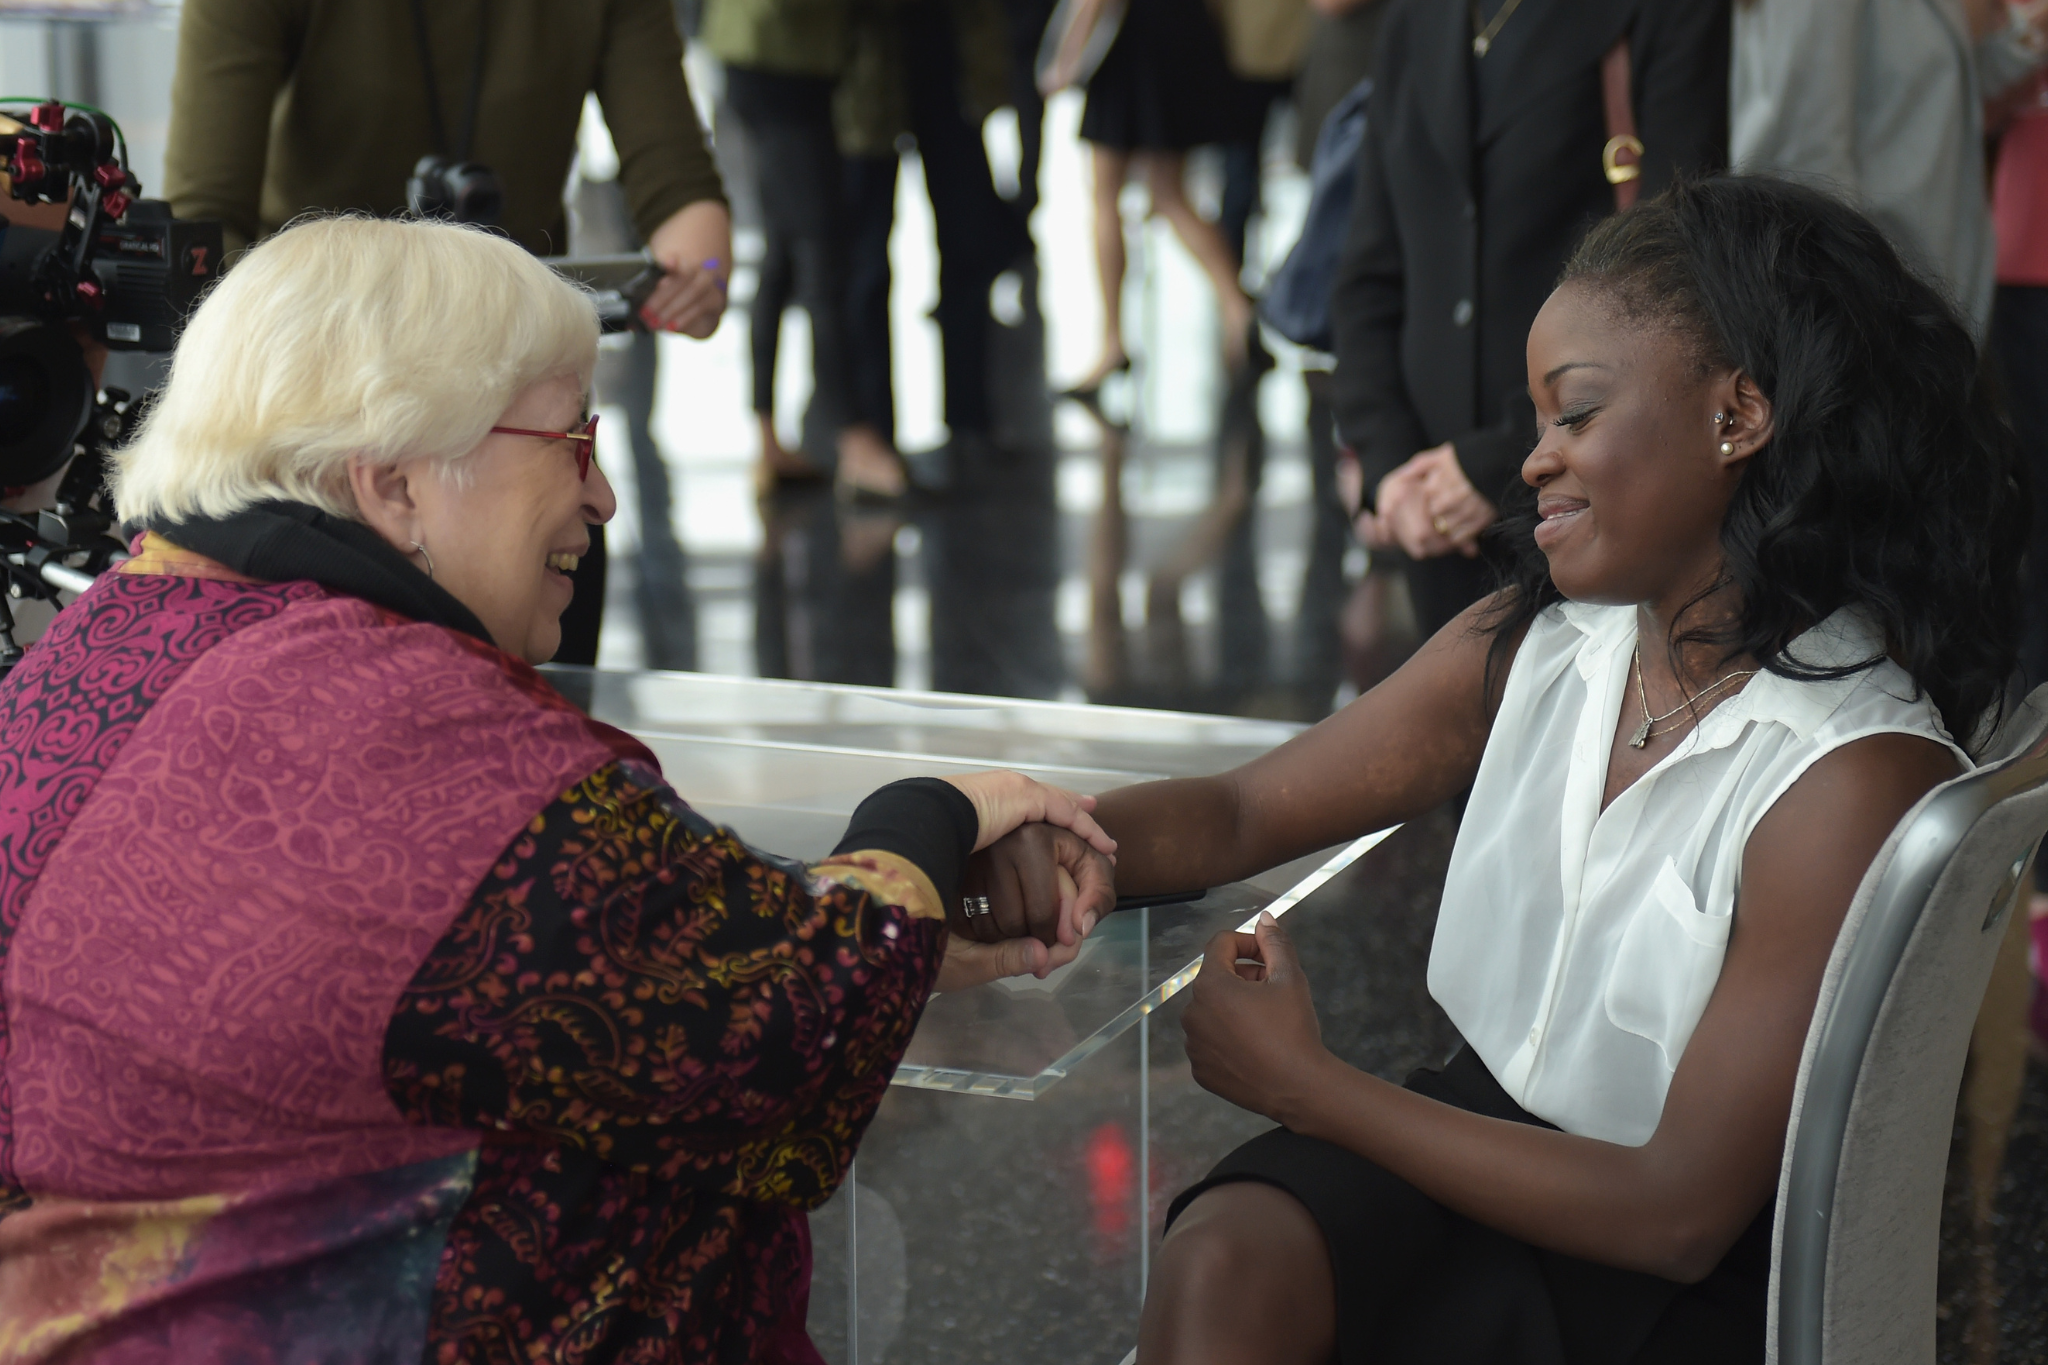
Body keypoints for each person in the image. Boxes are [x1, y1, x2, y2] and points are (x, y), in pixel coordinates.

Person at [0, 216, 1115, 1361]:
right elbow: (794, 1036)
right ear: (394, 483)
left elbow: (500, 978)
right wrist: (924, 823)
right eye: (569, 437)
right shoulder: (431, 751)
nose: (602, 498)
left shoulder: (82, 656)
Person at [977, 177, 2026, 1360]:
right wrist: (1043, 843)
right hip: (1471, 1144)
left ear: (1737, 415)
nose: (1533, 463)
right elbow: (1236, 814)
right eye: (1534, 424)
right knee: (1222, 1259)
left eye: (1572, 415)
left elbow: (1673, 1214)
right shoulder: (1540, 645)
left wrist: (1308, 1088)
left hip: (1671, 1267)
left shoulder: (1845, 774)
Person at [162, 0, 737, 666]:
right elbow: (200, 233)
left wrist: (705, 271)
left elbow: (679, 186)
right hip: (330, 436)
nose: (602, 502)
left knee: (549, 716)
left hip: (527, 433)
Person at [1331, 0, 1728, 641]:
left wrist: (1495, 459)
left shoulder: (1662, 14)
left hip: (1585, 480)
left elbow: (1673, 280)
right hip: (1429, 501)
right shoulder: (1417, 17)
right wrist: (1390, 466)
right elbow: (1372, 269)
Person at [1730, 0, 2046, 340]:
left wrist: (2026, 33)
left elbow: (1942, 95)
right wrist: (1851, 311)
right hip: (1869, 311)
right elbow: (1799, 163)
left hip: (1919, 298)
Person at [703, 0, 913, 500]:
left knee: (784, 253)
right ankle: (854, 439)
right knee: (823, 255)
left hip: (780, 59)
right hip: (779, 62)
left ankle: (768, 438)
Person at [1041, 0, 1260, 404]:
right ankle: (1237, 307)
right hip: (1179, 32)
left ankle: (1111, 341)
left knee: (1106, 196)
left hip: (1131, 41)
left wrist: (1065, 57)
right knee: (1170, 194)